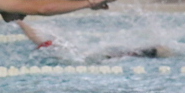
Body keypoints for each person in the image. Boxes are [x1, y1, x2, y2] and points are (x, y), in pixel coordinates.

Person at [15, 20, 170, 60]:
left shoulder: (51, 48)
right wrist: (18, 20)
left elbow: (33, 35)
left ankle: (156, 51)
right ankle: (156, 51)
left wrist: (17, 19)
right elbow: (32, 35)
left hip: (92, 57)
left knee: (122, 55)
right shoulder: (51, 46)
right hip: (91, 55)